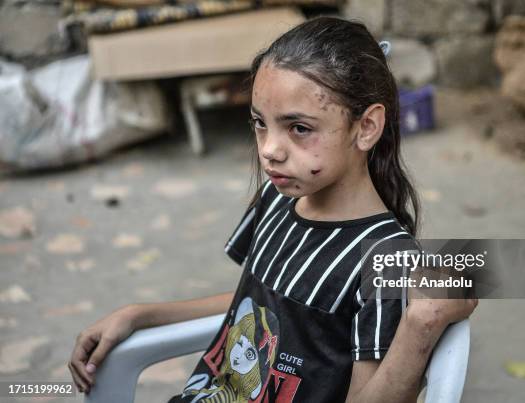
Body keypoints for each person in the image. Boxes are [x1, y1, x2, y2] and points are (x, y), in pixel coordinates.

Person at [68, 16, 478, 403]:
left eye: (299, 128)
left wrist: (420, 325)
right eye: (260, 122)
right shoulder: (276, 199)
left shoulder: (386, 259)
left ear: (366, 127)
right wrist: (140, 315)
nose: (269, 150)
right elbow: (268, 302)